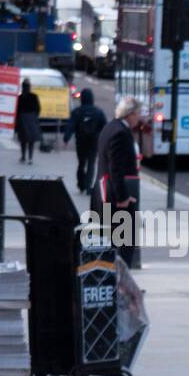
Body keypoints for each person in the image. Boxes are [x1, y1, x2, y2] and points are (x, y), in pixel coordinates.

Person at [96, 96, 143, 269]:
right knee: (125, 245)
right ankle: (122, 285)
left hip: (105, 195)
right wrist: (123, 197)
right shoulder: (120, 133)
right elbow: (116, 168)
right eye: (138, 113)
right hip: (117, 200)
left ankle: (116, 283)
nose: (139, 118)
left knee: (110, 244)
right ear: (129, 114)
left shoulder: (109, 128)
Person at [63, 87, 107, 195]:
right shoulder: (98, 112)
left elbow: (71, 126)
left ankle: (81, 184)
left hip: (80, 141)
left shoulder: (77, 112)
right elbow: (105, 126)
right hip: (94, 141)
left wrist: (66, 138)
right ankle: (88, 186)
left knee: (81, 163)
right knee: (91, 163)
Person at [15, 79, 41, 163]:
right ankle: (30, 158)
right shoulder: (34, 96)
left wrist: (18, 120)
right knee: (31, 141)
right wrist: (34, 117)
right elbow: (38, 108)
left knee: (23, 140)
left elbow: (17, 110)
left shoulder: (20, 97)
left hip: (22, 119)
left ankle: (23, 156)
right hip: (32, 119)